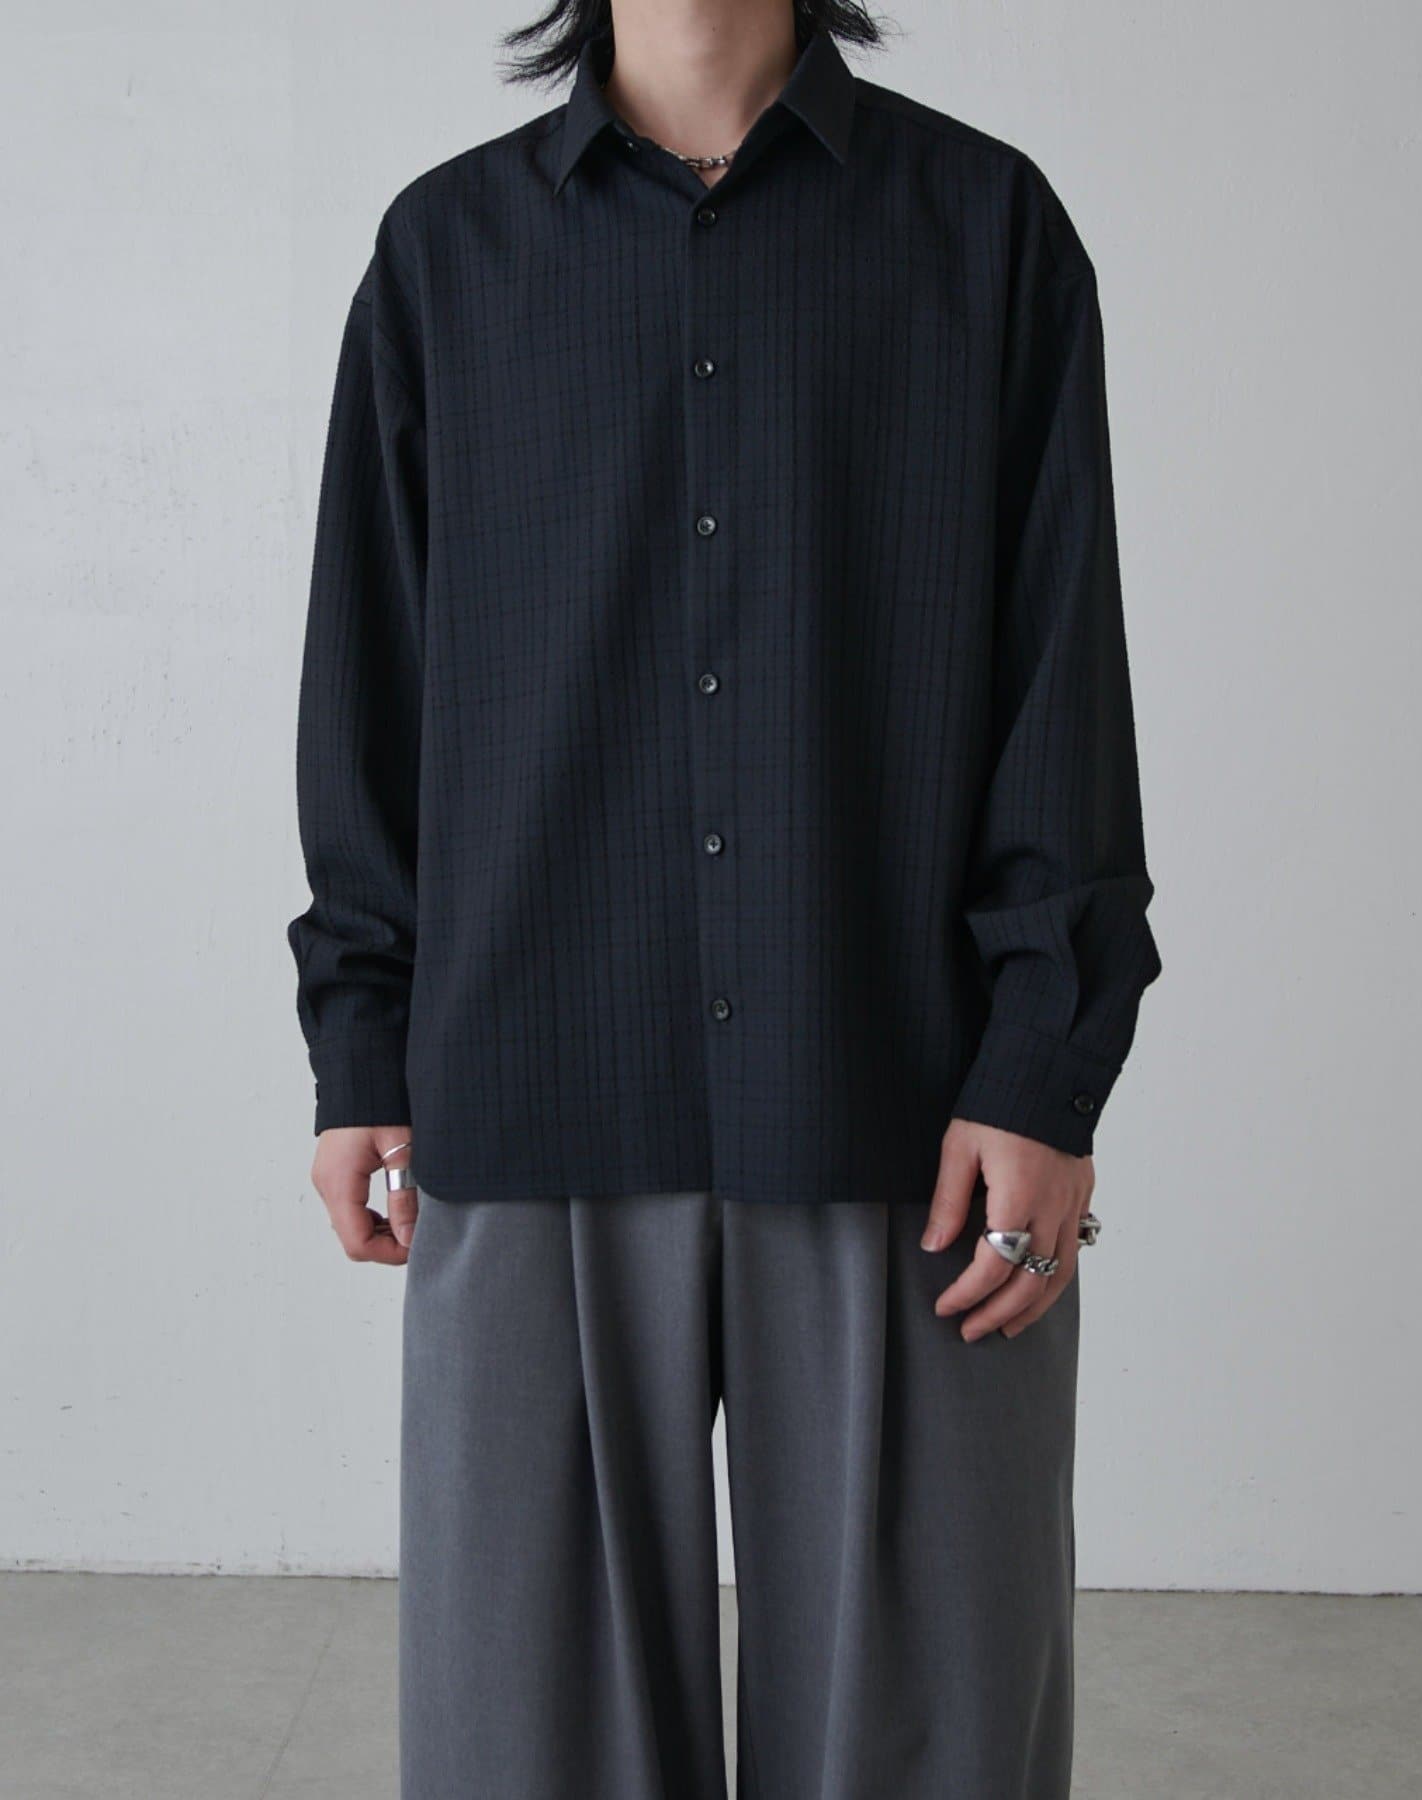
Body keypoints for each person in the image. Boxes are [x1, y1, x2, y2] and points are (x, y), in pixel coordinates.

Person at [287, 1, 1162, 1793]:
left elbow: (1062, 676)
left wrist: (1045, 1064)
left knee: (930, 1740)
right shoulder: (445, 254)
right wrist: (359, 1038)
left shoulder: (986, 231)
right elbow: (369, 678)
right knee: (523, 1746)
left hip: (903, 1099)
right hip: (533, 1081)